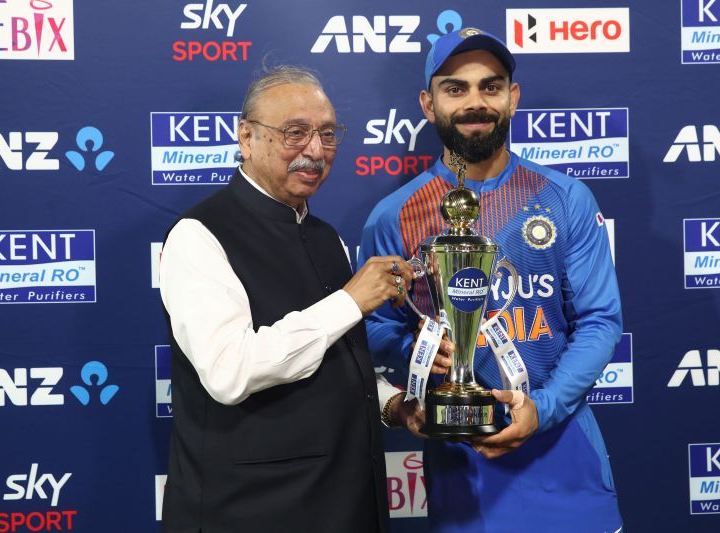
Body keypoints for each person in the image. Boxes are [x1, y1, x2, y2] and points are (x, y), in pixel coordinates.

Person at [359, 28, 623, 532]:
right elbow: (368, 328)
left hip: (568, 467)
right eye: (455, 88)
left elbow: (600, 321)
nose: (475, 102)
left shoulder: (565, 198)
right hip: (463, 479)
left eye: (491, 86)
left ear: (512, 97)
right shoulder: (392, 217)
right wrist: (416, 348)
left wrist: (540, 410)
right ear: (427, 103)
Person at [159, 65, 413, 533]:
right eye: (295, 133)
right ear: (247, 138)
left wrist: (392, 406)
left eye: (328, 134)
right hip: (251, 512)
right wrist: (350, 302)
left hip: (349, 506)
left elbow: (338, 361)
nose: (315, 151)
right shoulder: (198, 236)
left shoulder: (326, 237)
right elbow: (229, 371)